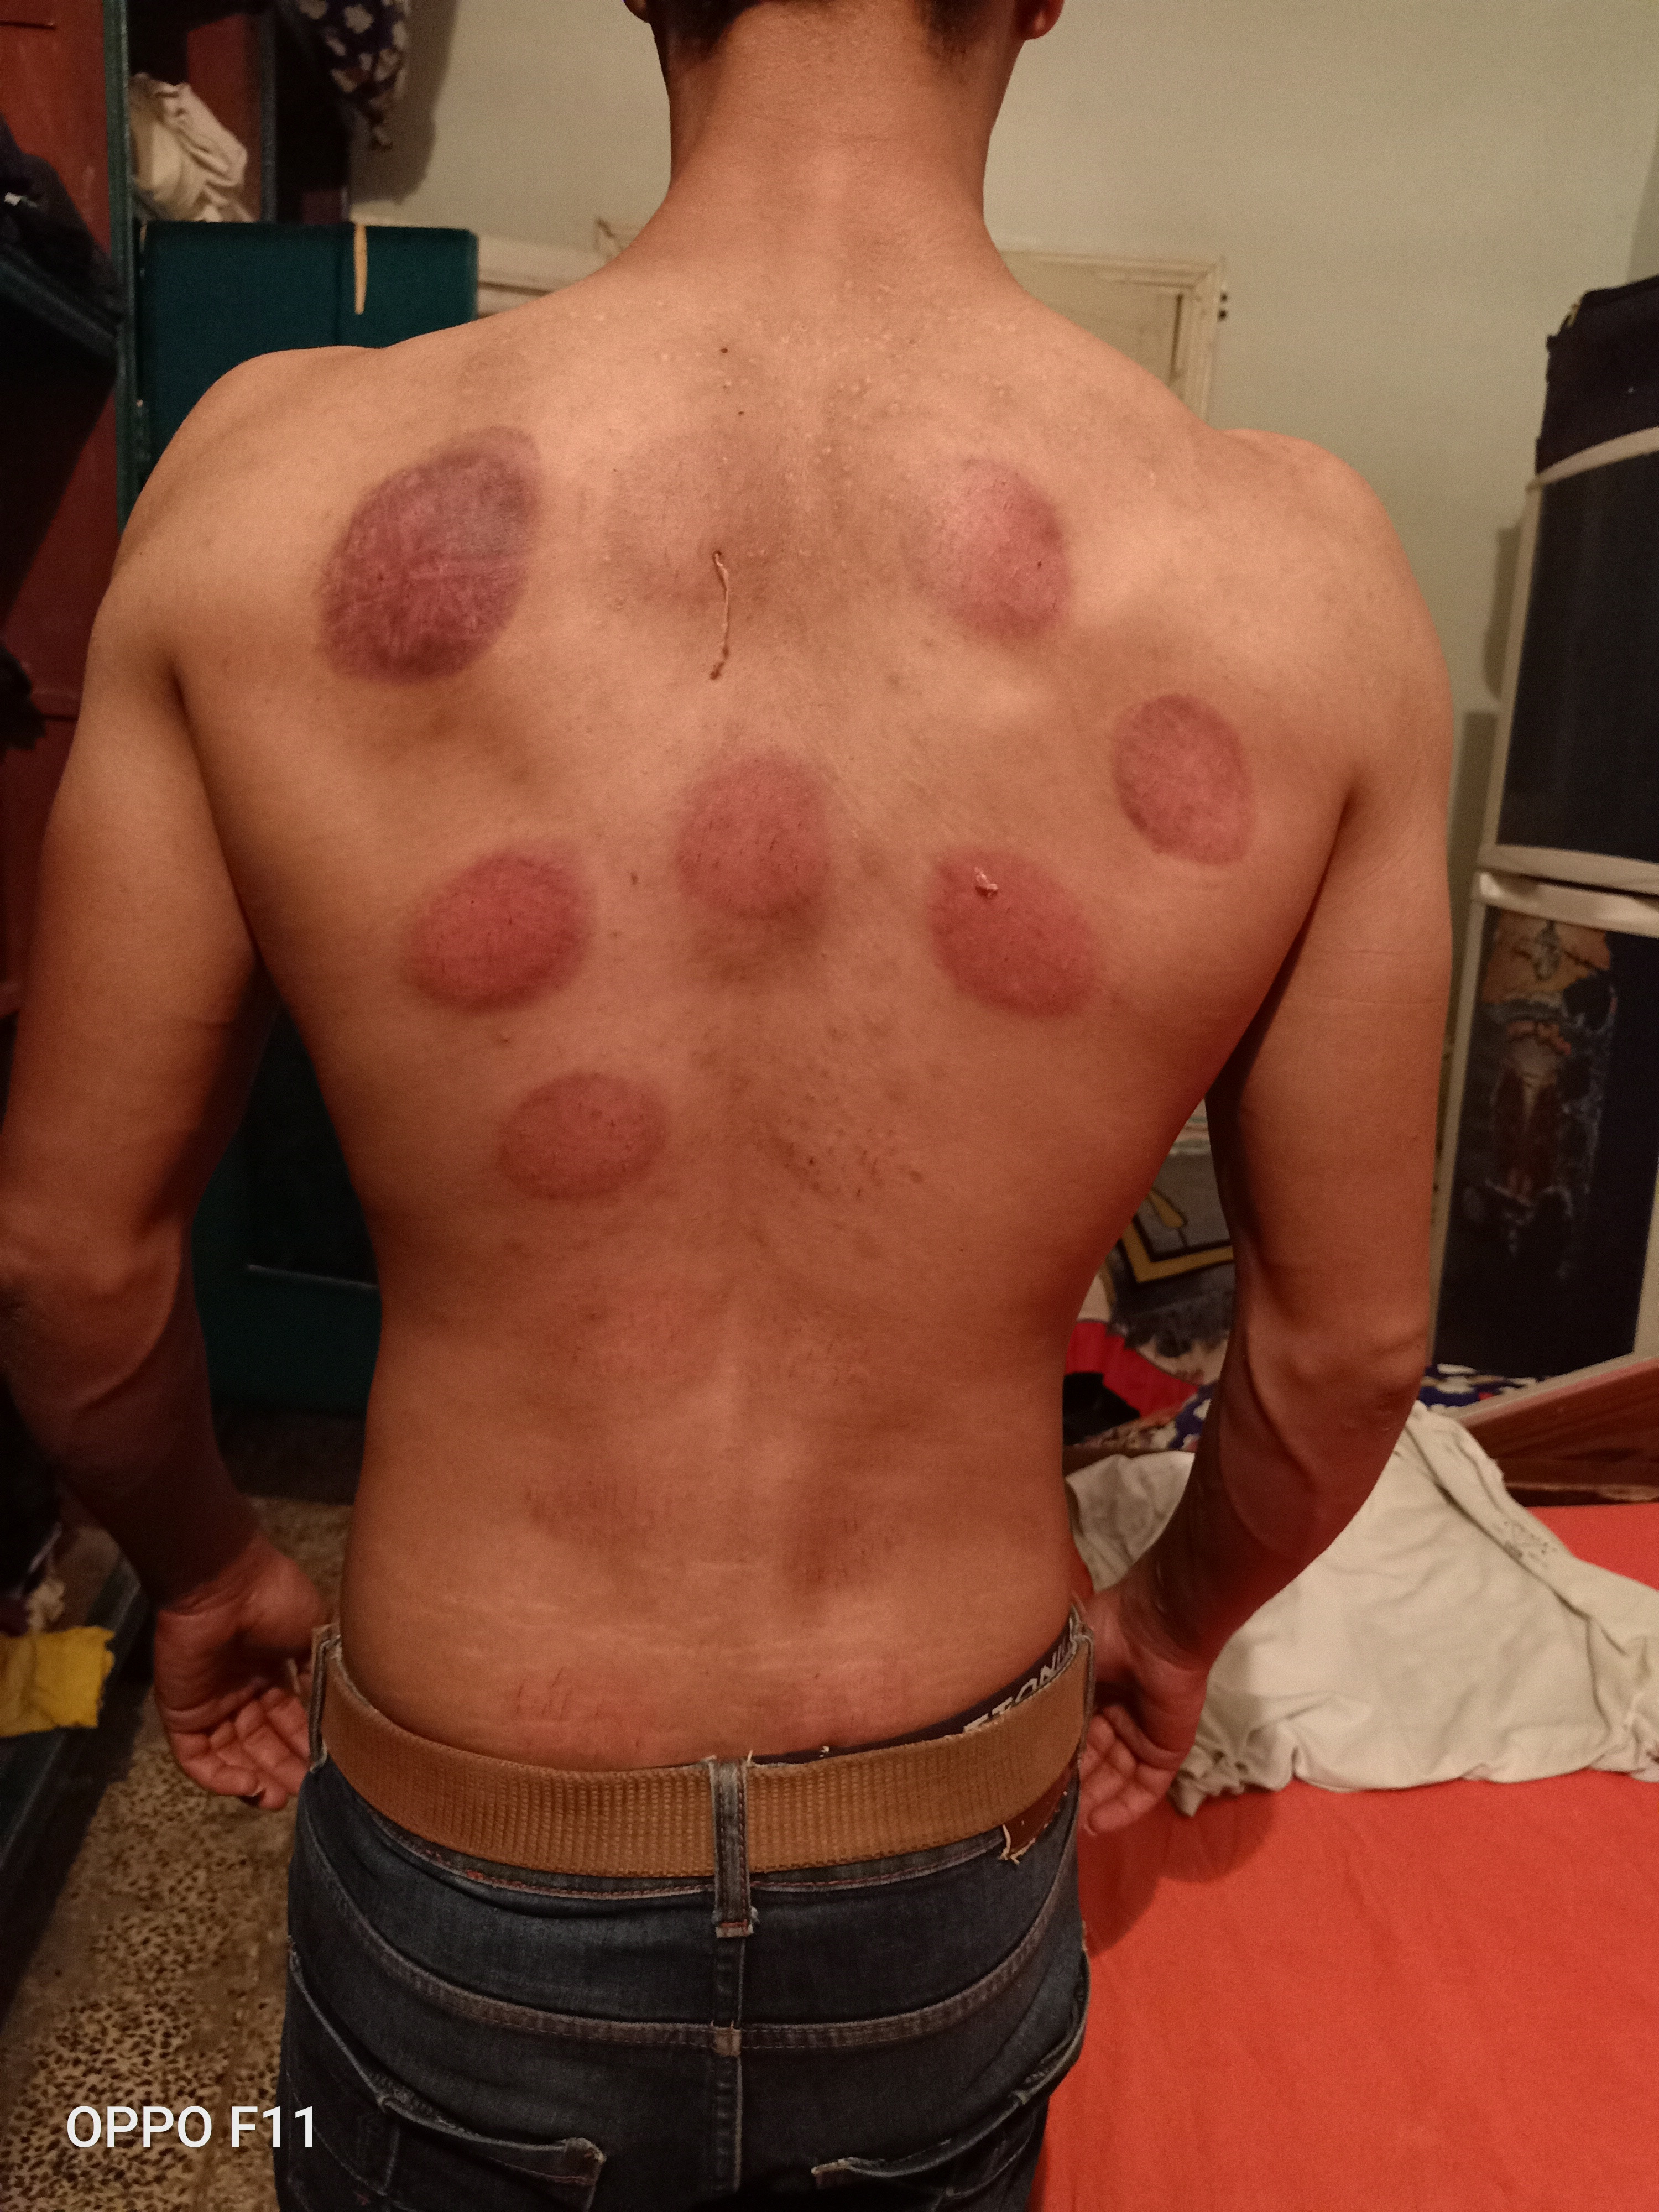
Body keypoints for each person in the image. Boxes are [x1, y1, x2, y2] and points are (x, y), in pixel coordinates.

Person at [0, 0, 1452, 2202]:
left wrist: (205, 1567)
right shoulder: (1304, 574)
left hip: (476, 1820)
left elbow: (67, 1267)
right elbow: (1343, 1350)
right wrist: (1170, 1625)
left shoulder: (272, 475)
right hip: (942, 1842)